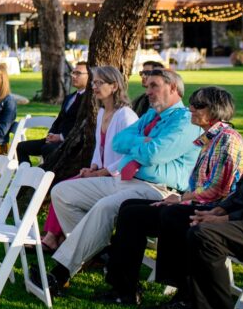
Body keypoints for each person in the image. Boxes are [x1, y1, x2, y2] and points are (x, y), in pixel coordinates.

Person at [46, 69, 200, 295]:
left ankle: (60, 271)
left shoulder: (185, 121)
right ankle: (103, 254)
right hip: (126, 180)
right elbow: (118, 142)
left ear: (174, 88)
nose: (147, 92)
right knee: (62, 192)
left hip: (158, 189)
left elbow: (154, 154)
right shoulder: (150, 115)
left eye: (154, 86)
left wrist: (142, 145)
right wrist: (145, 141)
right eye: (147, 87)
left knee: (105, 206)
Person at [102, 86, 243, 308]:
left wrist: (180, 200)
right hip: (199, 203)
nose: (191, 108)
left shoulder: (227, 140)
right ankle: (124, 288)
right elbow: (202, 186)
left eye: (198, 105)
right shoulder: (209, 139)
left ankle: (184, 293)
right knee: (130, 209)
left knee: (171, 214)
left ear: (215, 110)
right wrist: (180, 198)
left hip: (216, 209)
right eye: (191, 103)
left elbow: (217, 190)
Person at [40, 65, 138, 253]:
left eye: (99, 83)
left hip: (117, 178)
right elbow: (99, 147)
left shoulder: (126, 115)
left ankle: (69, 240)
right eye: (93, 82)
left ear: (114, 86)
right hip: (101, 172)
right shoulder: (101, 112)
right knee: (62, 188)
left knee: (64, 189)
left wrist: (104, 171)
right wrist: (93, 166)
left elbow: (132, 154)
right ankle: (61, 238)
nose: (94, 86)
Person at [184, 141, 243, 309]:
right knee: (181, 217)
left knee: (204, 235)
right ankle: (185, 297)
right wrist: (222, 208)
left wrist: (223, 218)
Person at [17, 61, 91, 165]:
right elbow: (59, 119)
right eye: (73, 73)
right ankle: (24, 177)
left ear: (90, 76)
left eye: (78, 73)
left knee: (47, 149)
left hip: (70, 142)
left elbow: (81, 125)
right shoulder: (70, 97)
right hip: (55, 139)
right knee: (21, 147)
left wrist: (61, 137)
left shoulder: (89, 100)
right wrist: (51, 134)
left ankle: (45, 178)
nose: (73, 76)